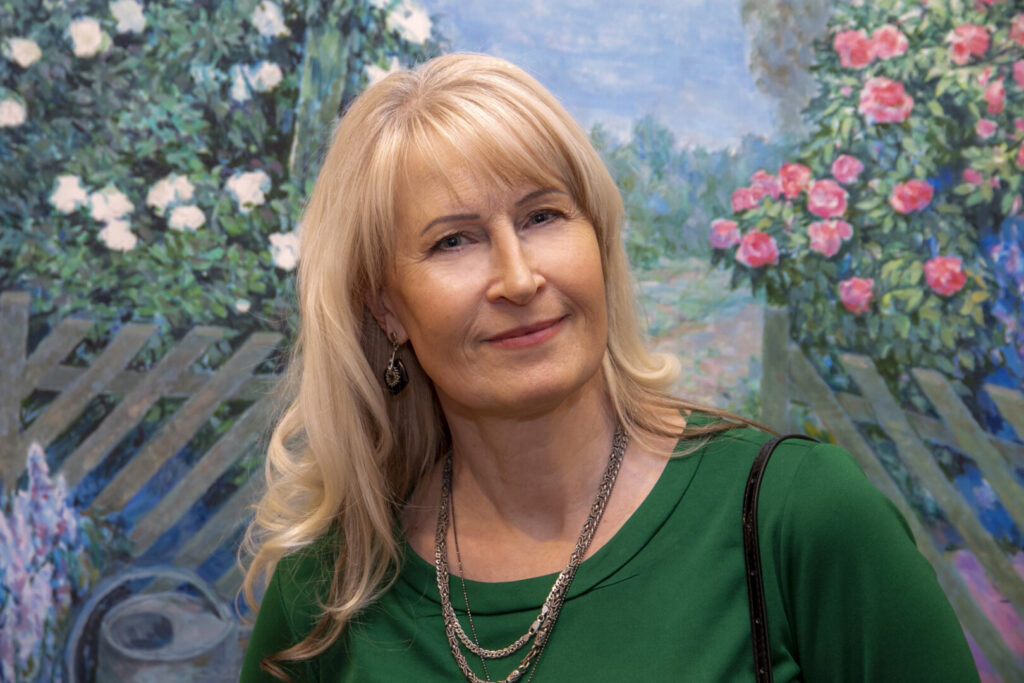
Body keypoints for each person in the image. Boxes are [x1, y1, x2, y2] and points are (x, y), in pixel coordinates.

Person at [239, 53, 979, 682]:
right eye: (453, 241)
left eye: (542, 216)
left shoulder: (801, 519)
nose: (519, 277)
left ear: (599, 240)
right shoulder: (330, 588)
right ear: (386, 309)